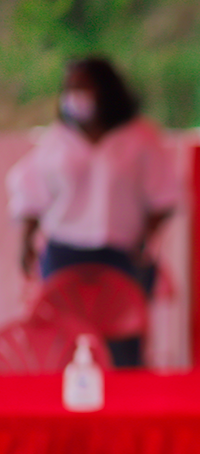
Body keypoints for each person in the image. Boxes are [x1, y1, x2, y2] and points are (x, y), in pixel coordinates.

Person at [6, 57, 178, 367]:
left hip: (122, 255)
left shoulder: (139, 138)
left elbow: (164, 196)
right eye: (70, 88)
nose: (75, 95)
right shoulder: (58, 139)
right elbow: (31, 193)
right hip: (64, 253)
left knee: (122, 348)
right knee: (62, 344)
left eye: (83, 87)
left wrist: (146, 239)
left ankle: (124, 398)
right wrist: (27, 243)